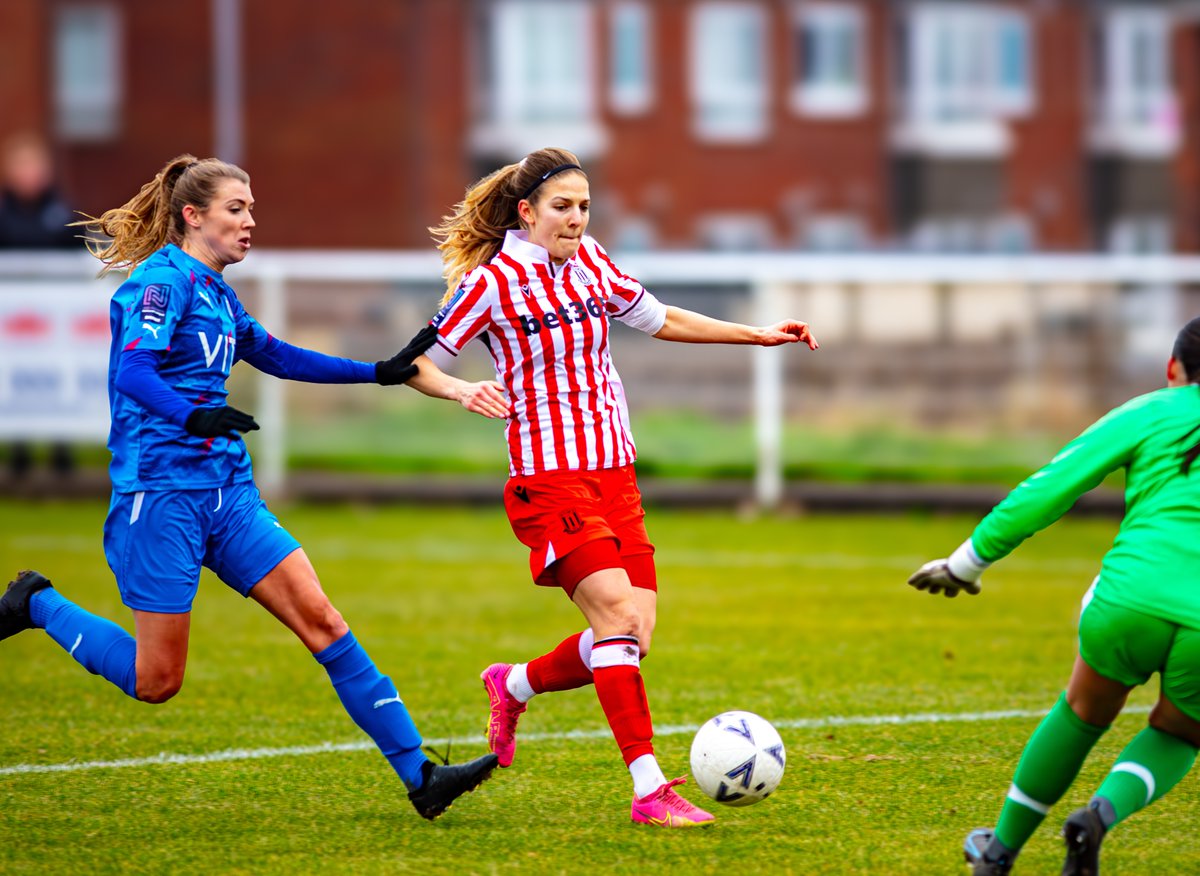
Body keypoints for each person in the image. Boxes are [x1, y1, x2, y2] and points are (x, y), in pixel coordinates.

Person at [0, 153, 497, 820]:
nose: (249, 222)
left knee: (324, 622)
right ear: (193, 216)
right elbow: (133, 372)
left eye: (251, 209)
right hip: (161, 497)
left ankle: (421, 777)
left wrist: (377, 371)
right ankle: (37, 604)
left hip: (226, 493)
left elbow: (278, 355)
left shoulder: (218, 293)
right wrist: (192, 413)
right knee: (157, 682)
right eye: (237, 209)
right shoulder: (160, 285)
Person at [402, 147, 819, 827]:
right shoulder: (491, 284)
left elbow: (663, 319)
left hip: (614, 476)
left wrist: (758, 335)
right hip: (549, 479)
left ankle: (512, 683)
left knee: (632, 634)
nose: (575, 219)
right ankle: (649, 789)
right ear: (526, 211)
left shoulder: (592, 261)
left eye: (584, 206)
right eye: (561, 207)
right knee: (618, 622)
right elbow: (413, 362)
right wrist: (462, 389)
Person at [908, 316, 1200, 874]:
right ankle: (1099, 815)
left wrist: (967, 562)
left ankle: (999, 854)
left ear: (1172, 369)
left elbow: (1050, 487)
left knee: (1083, 712)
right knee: (1181, 732)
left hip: (1129, 601)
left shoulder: (1151, 410)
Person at [0, 131, 80, 478]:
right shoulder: (4, 214)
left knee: (58, 381)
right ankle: (19, 455)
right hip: (13, 323)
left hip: (57, 322)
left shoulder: (62, 212)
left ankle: (63, 454)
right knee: (16, 380)